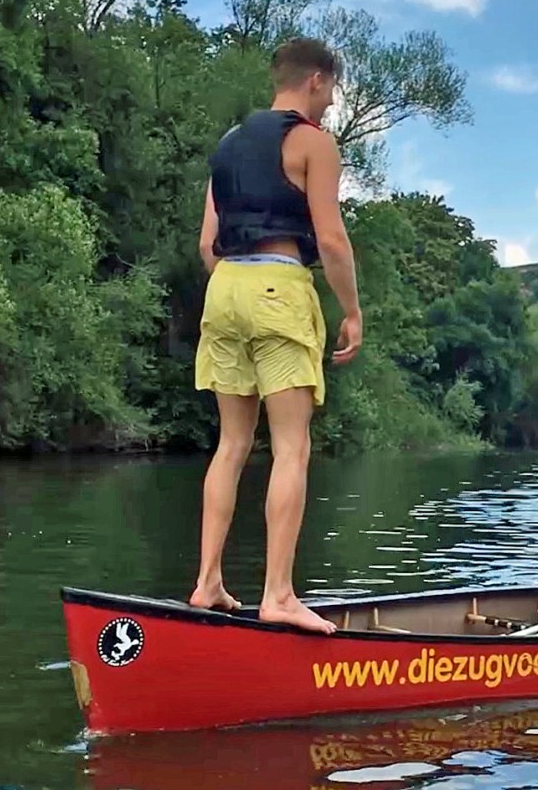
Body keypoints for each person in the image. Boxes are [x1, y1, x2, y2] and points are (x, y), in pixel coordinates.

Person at [187, 37, 363, 635]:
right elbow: (332, 239)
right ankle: (279, 595)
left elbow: (206, 246)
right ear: (316, 79)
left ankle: (208, 581)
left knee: (232, 445)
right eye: (332, 91)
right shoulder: (312, 140)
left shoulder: (227, 146)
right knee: (291, 448)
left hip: (224, 288)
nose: (332, 103)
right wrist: (352, 311)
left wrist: (234, 286)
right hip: (279, 286)